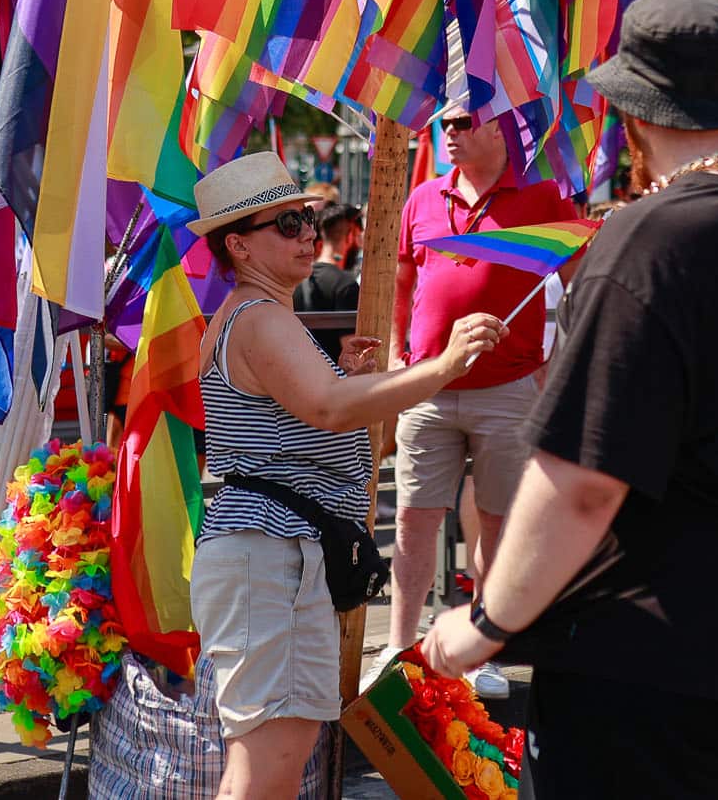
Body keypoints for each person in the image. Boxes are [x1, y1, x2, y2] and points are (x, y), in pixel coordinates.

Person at [422, 0, 718, 799]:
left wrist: (485, 623)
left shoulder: (646, 238)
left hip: (653, 654)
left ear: (633, 114)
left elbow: (585, 480)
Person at [187, 153, 494, 798]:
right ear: (238, 245)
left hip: (278, 556)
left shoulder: (264, 315)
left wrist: (359, 384)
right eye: (286, 224)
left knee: (275, 753)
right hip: (269, 557)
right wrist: (443, 367)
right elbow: (326, 407)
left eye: (308, 218)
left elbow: (340, 428)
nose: (306, 234)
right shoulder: (261, 317)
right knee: (268, 761)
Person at [372, 103, 584, 697]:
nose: (449, 133)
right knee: (414, 519)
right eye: (446, 124)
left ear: (500, 128)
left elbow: (582, 282)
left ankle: (481, 648)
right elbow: (402, 281)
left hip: (508, 389)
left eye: (463, 122)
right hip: (427, 387)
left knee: (497, 525)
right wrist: (395, 352)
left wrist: (557, 368)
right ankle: (397, 646)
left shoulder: (543, 196)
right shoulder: (423, 197)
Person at [293, 203, 362, 362]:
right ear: (350, 237)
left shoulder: (292, 281)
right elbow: (352, 355)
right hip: (334, 379)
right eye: (357, 236)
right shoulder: (346, 285)